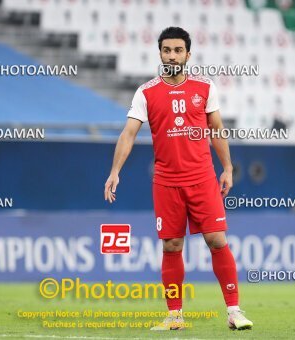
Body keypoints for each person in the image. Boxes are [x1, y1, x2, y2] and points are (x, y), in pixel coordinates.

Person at [104, 26, 253, 331]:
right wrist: (115, 171)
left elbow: (217, 130)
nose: (172, 55)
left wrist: (227, 168)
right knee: (172, 246)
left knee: (216, 240)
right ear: (160, 53)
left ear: (188, 54)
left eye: (177, 50)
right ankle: (175, 316)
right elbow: (128, 134)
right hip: (167, 182)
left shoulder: (204, 87)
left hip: (202, 178)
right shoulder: (146, 92)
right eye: (166, 50)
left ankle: (235, 311)